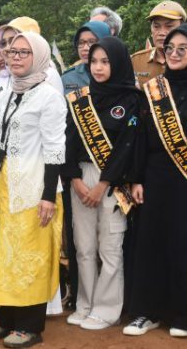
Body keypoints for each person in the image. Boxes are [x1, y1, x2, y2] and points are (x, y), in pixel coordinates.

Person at [0, 32, 66, 347]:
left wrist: (47, 196)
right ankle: (6, 316)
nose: (15, 57)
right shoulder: (5, 91)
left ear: (38, 56)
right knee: (5, 251)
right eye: (11, 51)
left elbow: (56, 150)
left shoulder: (49, 96)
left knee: (30, 255)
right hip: (3, 183)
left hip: (33, 186)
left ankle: (30, 324)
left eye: (23, 52)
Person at [124, 23, 187, 338]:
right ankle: (146, 312)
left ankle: (183, 315)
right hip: (155, 180)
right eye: (170, 48)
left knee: (186, 247)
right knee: (150, 245)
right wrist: (136, 179)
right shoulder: (155, 88)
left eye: (182, 49)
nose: (173, 54)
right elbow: (141, 138)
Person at [62, 37, 140, 330]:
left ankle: (107, 310)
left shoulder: (132, 99)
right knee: (83, 247)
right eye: (93, 61)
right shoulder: (80, 99)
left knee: (110, 247)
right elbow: (67, 142)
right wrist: (75, 179)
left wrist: (102, 184)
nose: (97, 67)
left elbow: (128, 146)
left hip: (113, 182)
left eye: (105, 61)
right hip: (80, 178)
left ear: (118, 62)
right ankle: (85, 304)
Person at [131, 0, 186, 87]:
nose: (161, 33)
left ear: (183, 28)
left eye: (169, 26)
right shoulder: (136, 61)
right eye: (156, 26)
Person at [61, 21, 111, 95]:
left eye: (91, 42)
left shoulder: (124, 76)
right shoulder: (67, 78)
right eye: (81, 43)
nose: (85, 48)